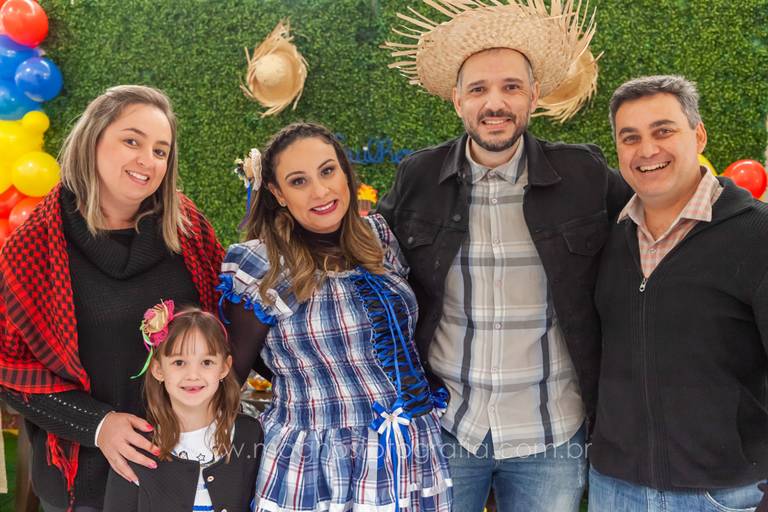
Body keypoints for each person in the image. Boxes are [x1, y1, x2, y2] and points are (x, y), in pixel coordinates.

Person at [377, 1, 631, 510]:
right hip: (448, 426)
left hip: (550, 434)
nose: (495, 103)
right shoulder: (418, 178)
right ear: (457, 100)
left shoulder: (583, 176)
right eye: (478, 89)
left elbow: (656, 224)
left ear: (534, 95)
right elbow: (366, 255)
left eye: (511, 87)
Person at [0, 85, 223, 512]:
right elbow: (11, 369)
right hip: (87, 483)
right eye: (132, 141)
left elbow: (228, 321)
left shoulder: (188, 228)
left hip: (189, 469)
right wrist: (98, 425)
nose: (148, 160)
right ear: (93, 139)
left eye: (160, 151)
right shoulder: (35, 246)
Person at [218, 122, 453, 511]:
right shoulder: (260, 265)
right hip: (315, 462)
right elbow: (232, 377)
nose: (320, 191)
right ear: (277, 193)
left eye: (327, 171)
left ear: (345, 173)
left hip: (408, 454)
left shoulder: (379, 239)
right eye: (299, 181)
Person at [589, 74, 768, 511]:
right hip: (615, 490)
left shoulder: (757, 234)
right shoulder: (605, 237)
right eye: (630, 137)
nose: (647, 150)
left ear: (699, 134)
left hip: (725, 495)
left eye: (663, 130)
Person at [103, 303, 262, 511]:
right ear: (158, 370)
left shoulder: (249, 434)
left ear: (224, 367)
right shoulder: (136, 447)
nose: (193, 375)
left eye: (206, 362)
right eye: (179, 362)